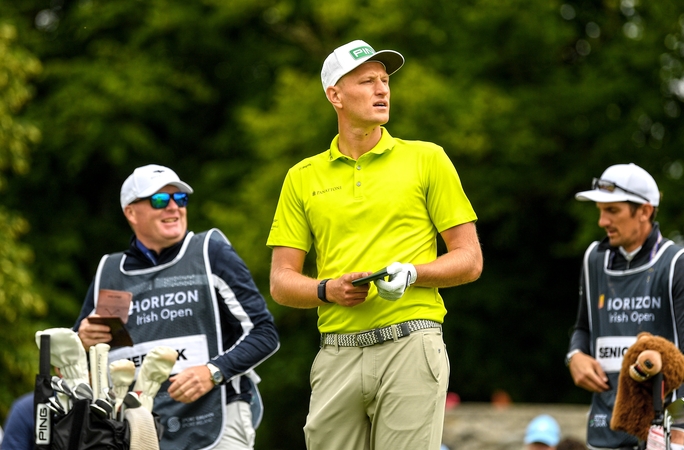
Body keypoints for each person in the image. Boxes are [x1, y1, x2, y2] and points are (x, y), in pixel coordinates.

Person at [267, 39, 483, 450]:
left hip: (411, 343)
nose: (382, 89)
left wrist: (414, 273)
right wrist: (325, 290)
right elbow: (280, 281)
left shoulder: (427, 159)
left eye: (385, 81)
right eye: (367, 81)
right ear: (335, 96)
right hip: (337, 352)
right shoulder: (301, 177)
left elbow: (469, 259)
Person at [74, 164, 280, 450]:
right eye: (160, 200)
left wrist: (212, 371)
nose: (173, 208)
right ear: (131, 212)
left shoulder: (209, 251)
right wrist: (82, 341)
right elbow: (77, 358)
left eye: (180, 199)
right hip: (136, 428)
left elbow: (264, 333)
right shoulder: (110, 272)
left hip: (218, 416)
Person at [566, 163, 684, 450]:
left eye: (613, 210)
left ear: (644, 211)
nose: (602, 221)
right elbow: (583, 327)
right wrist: (575, 356)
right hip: (602, 430)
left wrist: (679, 433)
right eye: (600, 210)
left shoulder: (679, 264)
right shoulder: (593, 259)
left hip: (659, 437)